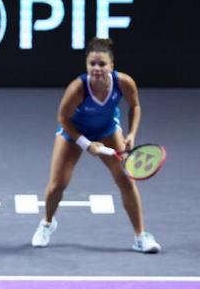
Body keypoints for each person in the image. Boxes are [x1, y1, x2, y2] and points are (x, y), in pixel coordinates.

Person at [31, 37, 161, 253]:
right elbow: (62, 118)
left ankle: (140, 237)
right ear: (86, 65)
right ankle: (47, 223)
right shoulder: (78, 88)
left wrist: (131, 134)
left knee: (126, 180)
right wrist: (85, 143)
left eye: (102, 64)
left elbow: (135, 105)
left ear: (111, 66)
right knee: (57, 185)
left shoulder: (123, 82)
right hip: (73, 133)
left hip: (107, 131)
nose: (97, 68)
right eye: (92, 64)